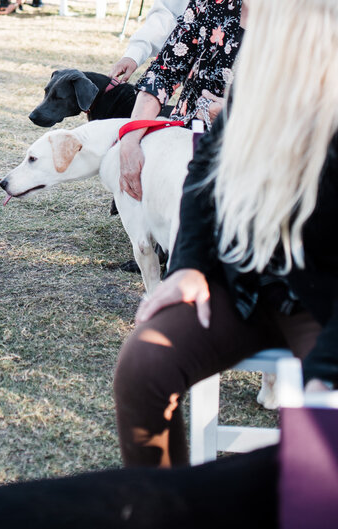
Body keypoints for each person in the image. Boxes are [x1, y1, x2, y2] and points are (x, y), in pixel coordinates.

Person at [113, 0, 338, 467]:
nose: (247, 17)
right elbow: (204, 176)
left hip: (327, 303)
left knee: (324, 419)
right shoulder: (264, 74)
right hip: (243, 285)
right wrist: (190, 266)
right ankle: (162, 507)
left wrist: (323, 375)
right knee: (144, 366)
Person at [119, 0, 245, 202]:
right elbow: (165, 72)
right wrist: (131, 138)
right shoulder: (210, 4)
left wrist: (238, 114)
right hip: (189, 147)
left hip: (255, 158)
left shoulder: (300, 20)